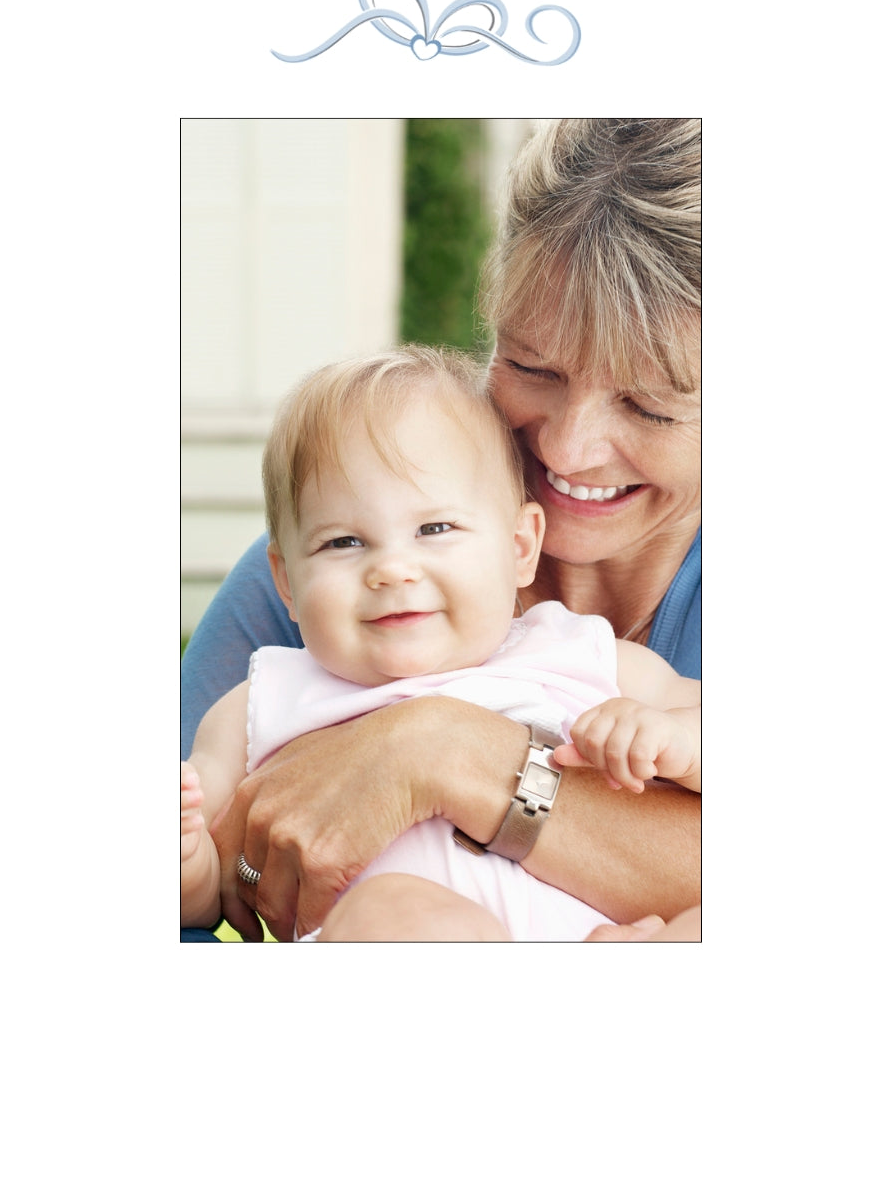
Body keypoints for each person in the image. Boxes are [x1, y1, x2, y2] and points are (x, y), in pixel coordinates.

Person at [181, 118, 701, 941]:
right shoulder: (308, 597)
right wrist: (226, 874)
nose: (565, 448)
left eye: (650, 405)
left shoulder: (596, 659)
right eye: (531, 365)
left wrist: (438, 751)